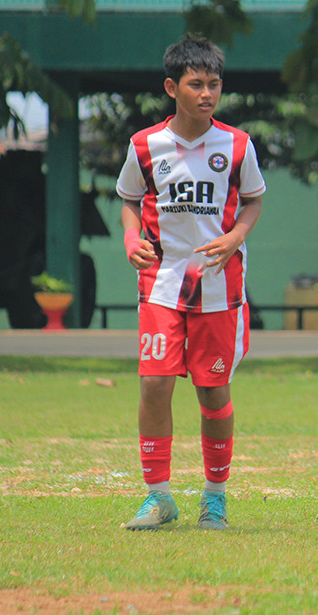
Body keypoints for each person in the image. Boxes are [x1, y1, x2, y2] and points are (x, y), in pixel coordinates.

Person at [115, 34, 266, 530]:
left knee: (211, 394)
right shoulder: (145, 146)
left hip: (220, 286)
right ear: (171, 87)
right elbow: (130, 200)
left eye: (215, 85)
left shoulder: (237, 146)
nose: (207, 94)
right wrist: (130, 237)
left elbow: (252, 202)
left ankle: (215, 496)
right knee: (155, 384)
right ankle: (159, 497)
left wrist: (235, 236)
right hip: (161, 281)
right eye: (196, 84)